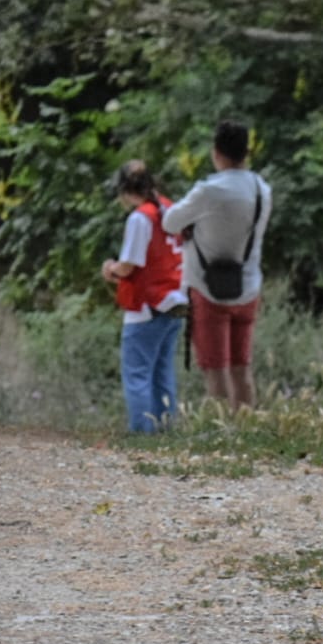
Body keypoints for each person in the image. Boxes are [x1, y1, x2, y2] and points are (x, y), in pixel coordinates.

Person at [162, 121, 273, 410]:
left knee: (215, 368)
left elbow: (170, 221)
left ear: (216, 153)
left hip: (206, 289)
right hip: (248, 285)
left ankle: (224, 432)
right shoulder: (262, 190)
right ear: (247, 152)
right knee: (241, 367)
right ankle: (249, 428)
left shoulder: (209, 191)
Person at [100, 161, 187, 433]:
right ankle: (165, 430)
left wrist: (111, 268)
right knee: (163, 373)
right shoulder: (171, 210)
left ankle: (142, 434)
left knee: (137, 375)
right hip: (176, 301)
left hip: (147, 306)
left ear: (125, 190)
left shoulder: (141, 218)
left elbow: (130, 265)